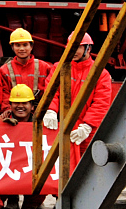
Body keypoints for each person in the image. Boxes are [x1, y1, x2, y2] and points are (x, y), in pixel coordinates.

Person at [42, 32, 113, 168]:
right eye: (71, 47)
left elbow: (101, 102)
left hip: (86, 131)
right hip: (62, 126)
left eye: (77, 47)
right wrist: (50, 110)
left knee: (88, 168)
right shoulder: (60, 67)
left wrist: (87, 126)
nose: (73, 51)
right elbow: (51, 91)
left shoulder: (100, 73)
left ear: (88, 48)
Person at [1, 28, 52, 97]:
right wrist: (8, 108)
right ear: (12, 47)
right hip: (14, 107)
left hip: (40, 106)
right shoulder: (4, 70)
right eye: (17, 45)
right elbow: (4, 96)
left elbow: (51, 93)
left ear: (31, 46)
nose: (22, 49)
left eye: (25, 45)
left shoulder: (44, 67)